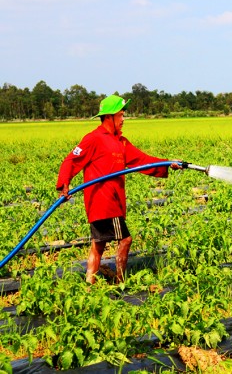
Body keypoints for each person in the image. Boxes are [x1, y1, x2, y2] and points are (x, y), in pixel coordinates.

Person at [56, 94, 181, 284]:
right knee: (125, 240)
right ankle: (120, 281)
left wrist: (167, 164)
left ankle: (89, 282)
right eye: (121, 115)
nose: (123, 119)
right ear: (109, 117)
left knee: (98, 244)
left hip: (111, 201)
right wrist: (64, 183)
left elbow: (143, 161)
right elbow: (71, 160)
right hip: (104, 202)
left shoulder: (121, 142)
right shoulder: (94, 138)